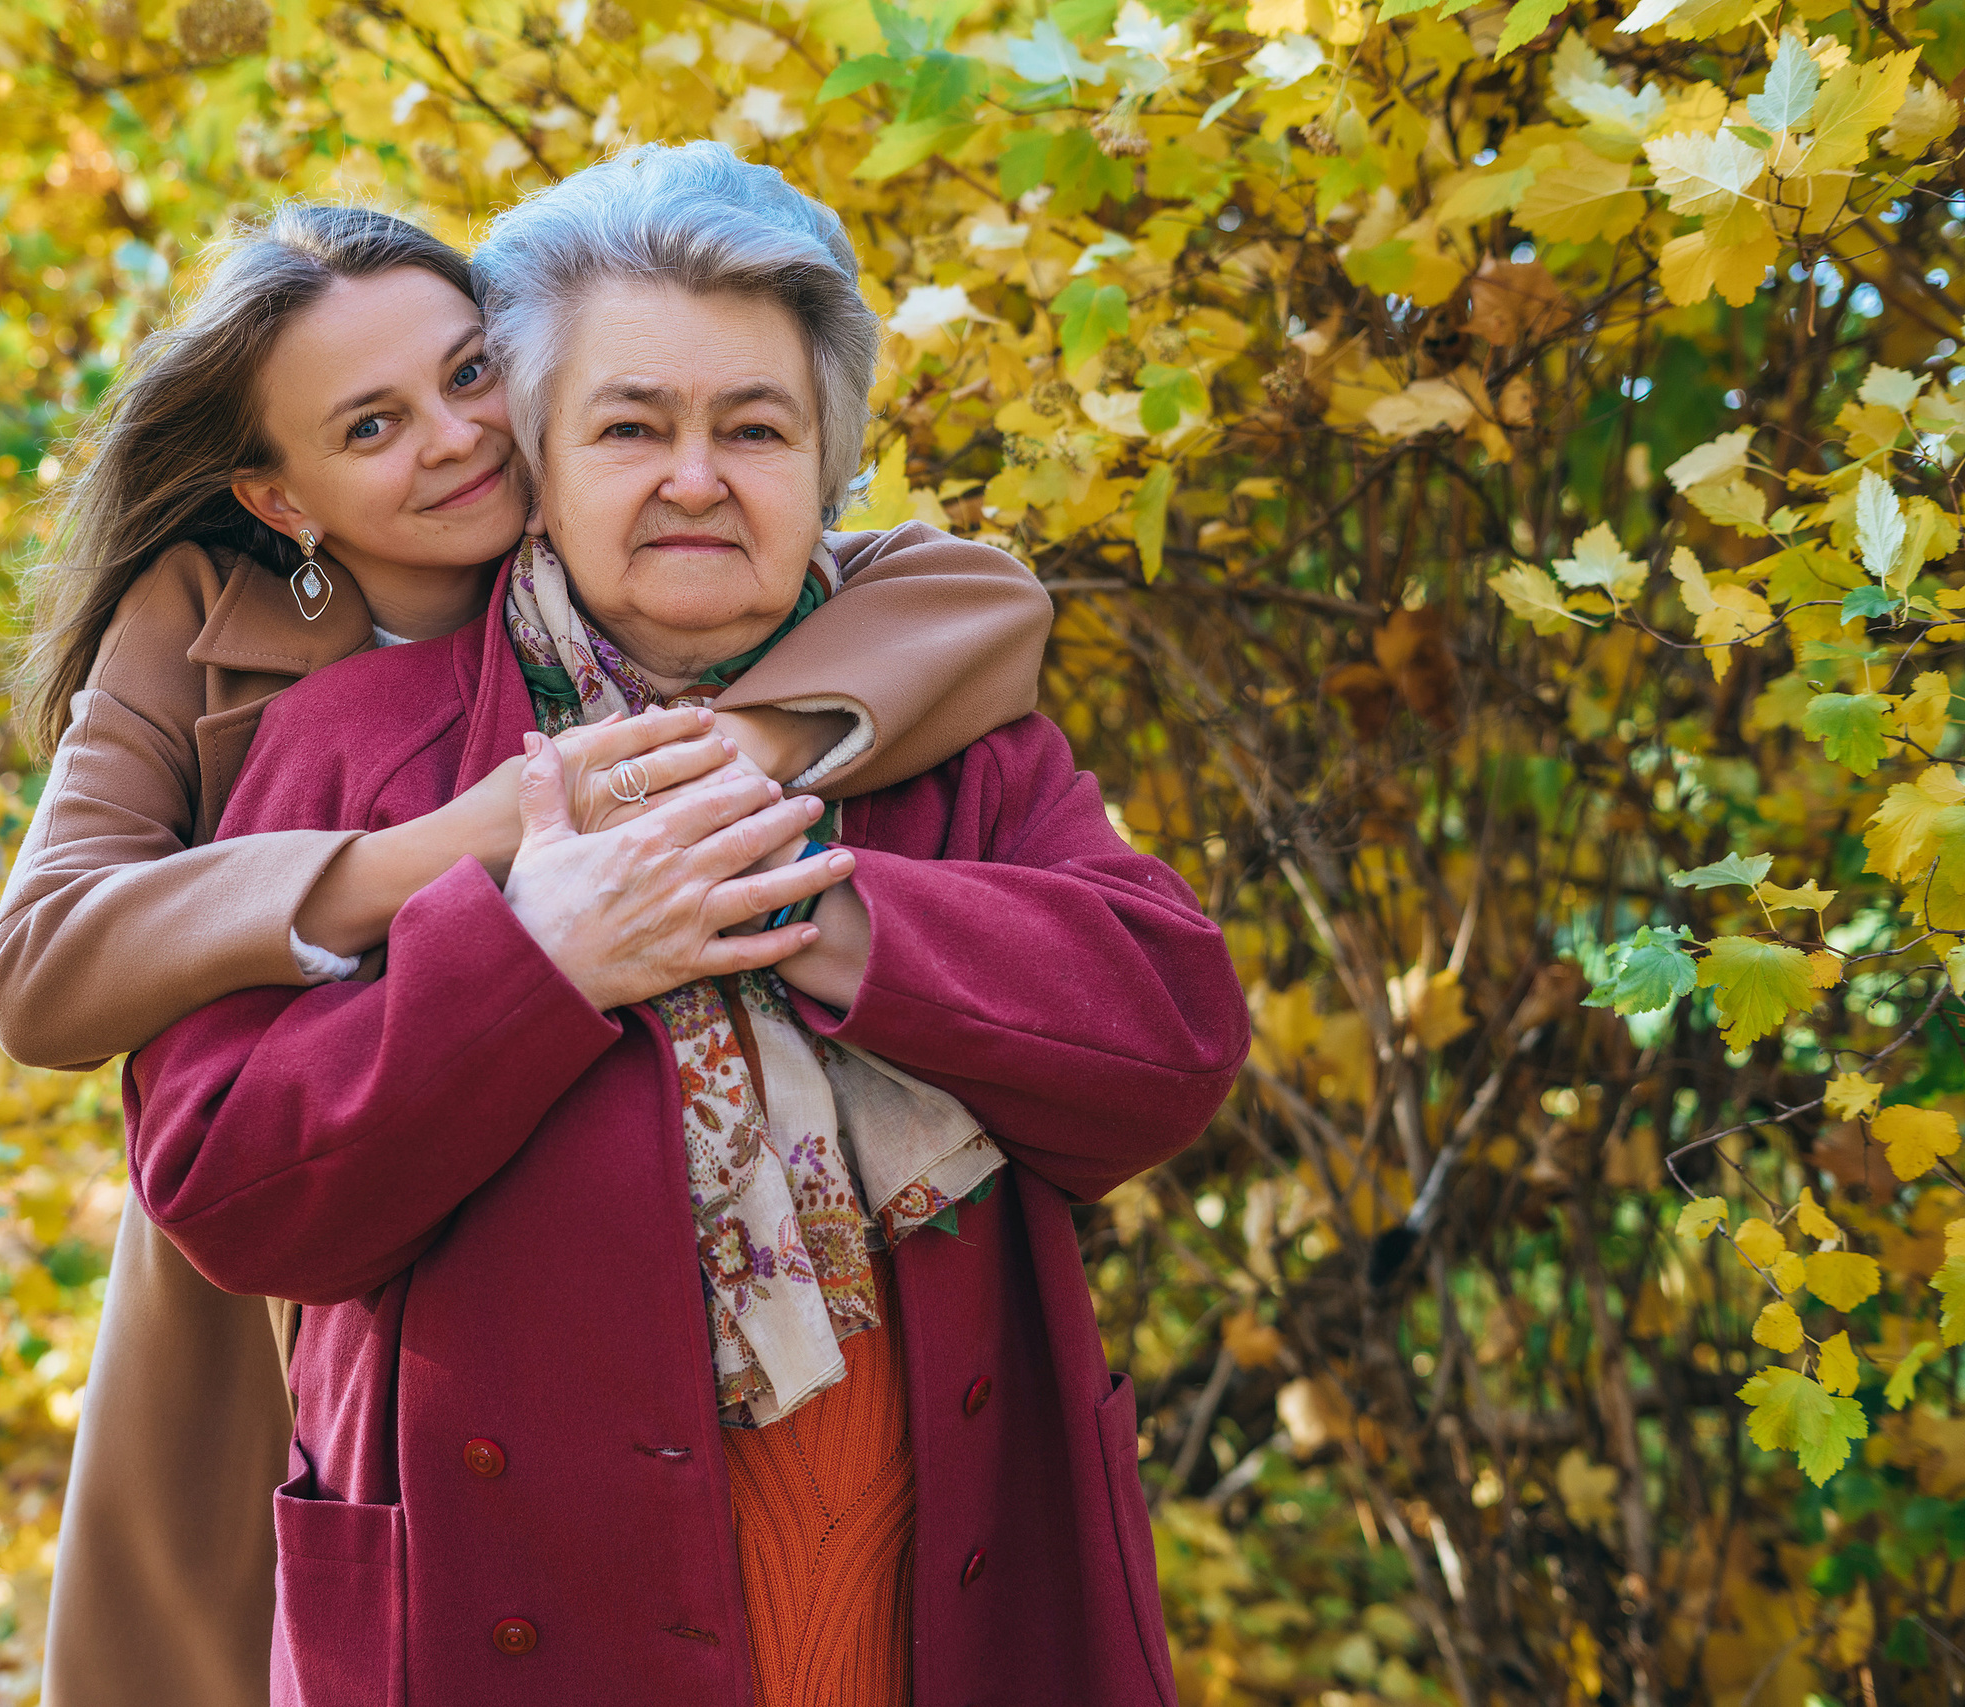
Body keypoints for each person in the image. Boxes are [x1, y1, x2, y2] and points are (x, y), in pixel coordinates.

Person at [127, 142, 1250, 1706]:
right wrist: (537, 966)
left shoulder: (948, 729)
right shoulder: (356, 746)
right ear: (538, 457)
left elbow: (1172, 1044)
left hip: (951, 1613)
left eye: (756, 427)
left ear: (826, 464)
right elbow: (227, 1187)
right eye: (633, 426)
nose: (697, 477)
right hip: (507, 1622)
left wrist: (803, 898)